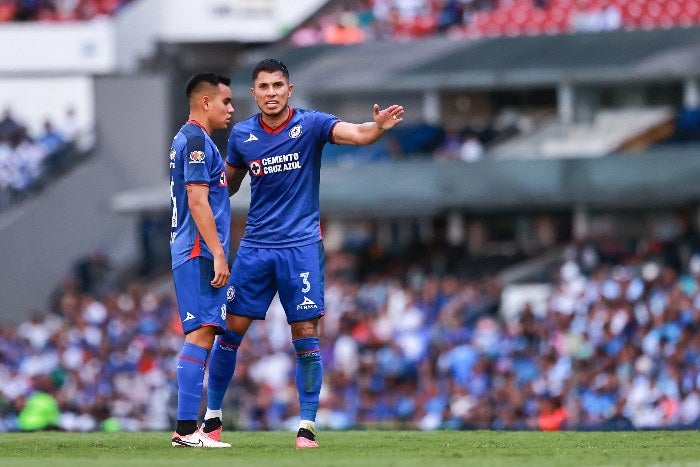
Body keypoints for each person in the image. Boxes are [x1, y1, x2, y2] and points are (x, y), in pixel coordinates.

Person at [202, 58, 404, 448]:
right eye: (264, 87)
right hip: (257, 248)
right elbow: (226, 185)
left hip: (301, 248)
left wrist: (377, 128)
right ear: (254, 93)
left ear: (289, 90)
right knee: (229, 333)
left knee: (306, 334)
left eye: (278, 86)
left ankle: (307, 426)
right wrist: (198, 190)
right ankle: (212, 418)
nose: (272, 93)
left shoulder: (310, 124)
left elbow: (358, 134)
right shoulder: (242, 136)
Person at [168, 72, 234, 448]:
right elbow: (196, 201)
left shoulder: (190, 139)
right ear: (205, 102)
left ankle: (186, 429)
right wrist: (219, 251)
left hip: (191, 248)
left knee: (204, 332)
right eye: (226, 101)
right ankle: (186, 430)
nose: (231, 108)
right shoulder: (195, 140)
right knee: (201, 332)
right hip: (198, 250)